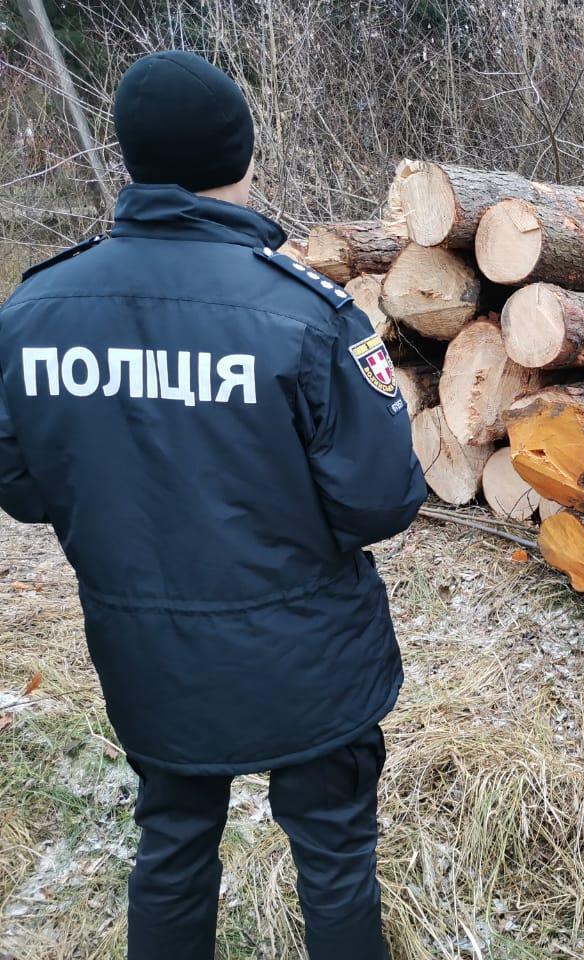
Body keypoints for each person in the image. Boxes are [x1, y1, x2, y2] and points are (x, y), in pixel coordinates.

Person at [0, 50, 426, 959]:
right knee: (336, 859)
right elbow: (383, 499)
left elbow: (24, 484)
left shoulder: (33, 313)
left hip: (148, 653)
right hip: (309, 655)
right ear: (242, 154)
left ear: (132, 157)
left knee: (172, 845)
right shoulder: (309, 315)